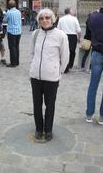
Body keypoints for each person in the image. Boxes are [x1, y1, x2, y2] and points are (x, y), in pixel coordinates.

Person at [30, 8, 69, 141]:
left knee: (50, 104)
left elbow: (65, 58)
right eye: (41, 18)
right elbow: (33, 53)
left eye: (47, 17)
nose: (44, 20)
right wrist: (34, 68)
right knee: (36, 104)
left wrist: (58, 72)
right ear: (38, 20)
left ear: (52, 19)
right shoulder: (35, 34)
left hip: (52, 77)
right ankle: (38, 129)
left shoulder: (61, 35)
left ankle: (48, 130)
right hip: (35, 76)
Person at [58, 7, 81, 73]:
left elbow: (58, 29)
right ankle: (70, 65)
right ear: (70, 12)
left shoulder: (61, 19)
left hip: (63, 35)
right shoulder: (74, 19)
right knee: (72, 51)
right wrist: (79, 38)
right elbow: (78, 30)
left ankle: (64, 66)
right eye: (72, 10)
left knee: (63, 51)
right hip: (72, 37)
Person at [3, 0, 22, 67]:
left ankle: (13, 63)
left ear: (9, 5)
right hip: (18, 32)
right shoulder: (18, 12)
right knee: (16, 47)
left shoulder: (9, 12)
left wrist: (5, 14)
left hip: (11, 32)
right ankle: (16, 62)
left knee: (12, 48)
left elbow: (4, 21)